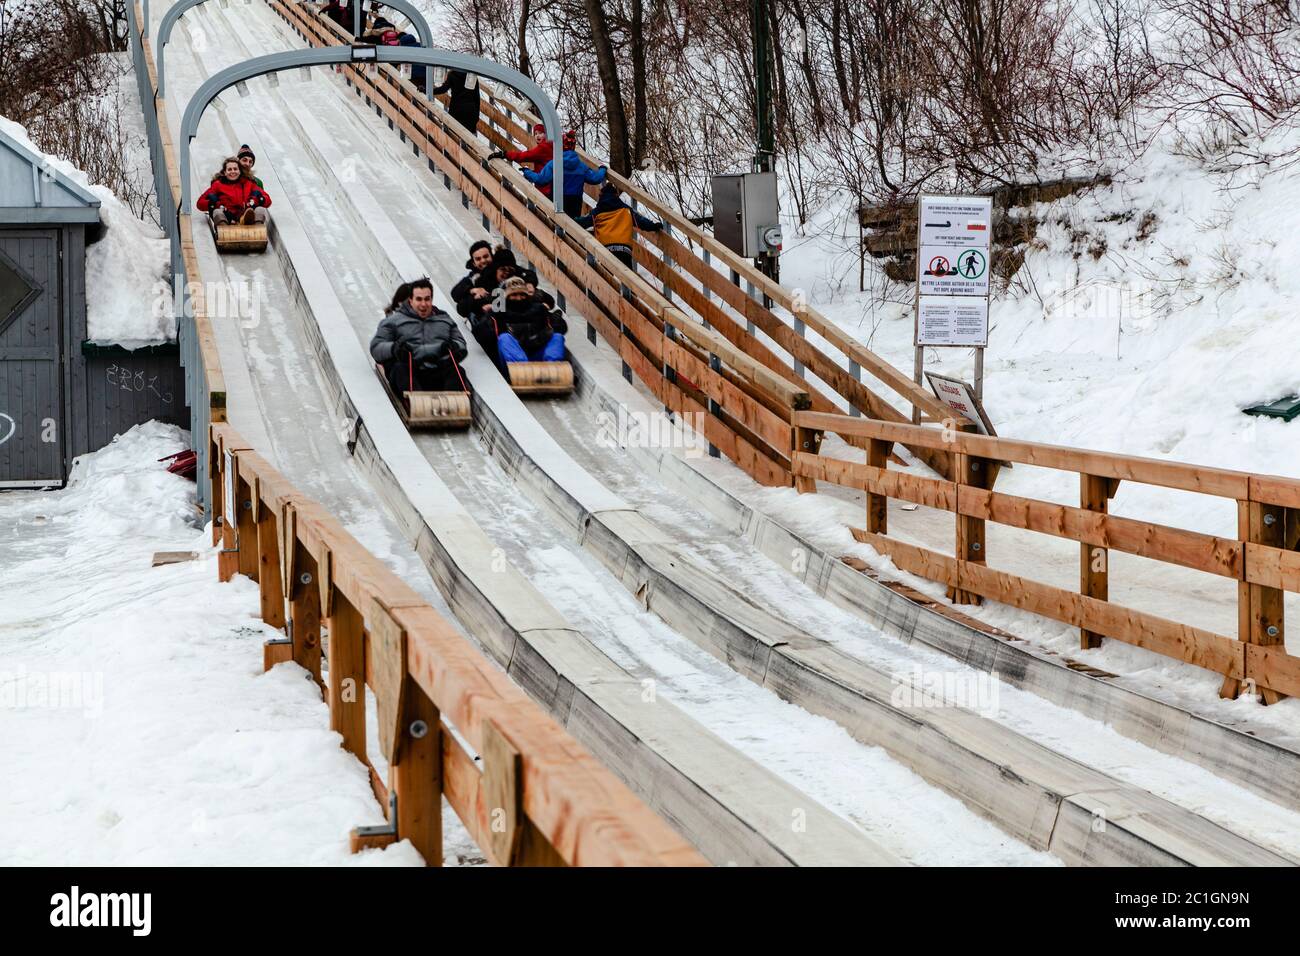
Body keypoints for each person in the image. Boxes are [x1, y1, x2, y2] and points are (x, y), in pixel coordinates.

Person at [370, 278, 469, 394]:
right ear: (411, 301)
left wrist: (454, 347)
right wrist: (394, 348)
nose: (423, 304)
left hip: (438, 369)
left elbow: (460, 342)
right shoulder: (394, 321)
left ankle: (451, 403)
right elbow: (376, 347)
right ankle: (416, 400)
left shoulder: (444, 319)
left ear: (432, 300)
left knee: (457, 371)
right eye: (419, 299)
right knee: (400, 369)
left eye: (427, 299)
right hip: (411, 371)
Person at [574, 182, 663, 271]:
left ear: (601, 196)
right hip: (624, 249)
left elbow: (584, 222)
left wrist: (572, 219)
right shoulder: (626, 210)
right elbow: (641, 221)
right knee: (628, 278)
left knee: (606, 278)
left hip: (606, 249)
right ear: (616, 195)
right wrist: (654, 226)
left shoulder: (597, 212)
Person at [518, 130, 606, 218]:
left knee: (556, 225)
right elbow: (596, 178)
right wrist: (602, 169)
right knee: (573, 226)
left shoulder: (554, 164)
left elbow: (541, 180)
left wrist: (527, 172)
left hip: (558, 199)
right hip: (575, 201)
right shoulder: (581, 166)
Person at [493, 276, 567, 364]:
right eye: (514, 295)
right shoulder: (500, 312)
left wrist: (557, 322)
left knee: (557, 337)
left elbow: (561, 327)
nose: (519, 298)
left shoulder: (538, 309)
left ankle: (554, 366)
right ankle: (521, 368)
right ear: (507, 297)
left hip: (537, 353)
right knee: (504, 338)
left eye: (522, 294)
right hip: (512, 360)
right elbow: (481, 333)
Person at [197, 157, 272, 226]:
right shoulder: (218, 185)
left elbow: (267, 199)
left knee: (260, 209)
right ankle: (224, 229)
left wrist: (255, 200)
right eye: (229, 169)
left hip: (244, 214)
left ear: (239, 171)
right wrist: (215, 203)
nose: (233, 171)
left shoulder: (248, 183)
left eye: (235, 169)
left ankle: (256, 228)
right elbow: (200, 203)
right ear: (225, 172)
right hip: (226, 216)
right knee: (217, 211)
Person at [487, 123, 553, 199]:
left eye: (540, 133)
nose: (537, 136)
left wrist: (505, 154)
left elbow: (524, 156)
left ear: (546, 134)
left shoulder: (543, 148)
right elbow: (545, 166)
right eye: (535, 133)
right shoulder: (552, 146)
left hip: (545, 190)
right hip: (553, 188)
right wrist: (532, 172)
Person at [432, 69, 480, 136]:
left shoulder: (452, 74)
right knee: (470, 136)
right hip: (470, 110)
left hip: (456, 108)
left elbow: (443, 89)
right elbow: (477, 97)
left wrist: (428, 90)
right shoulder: (472, 77)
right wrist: (477, 115)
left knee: (454, 134)